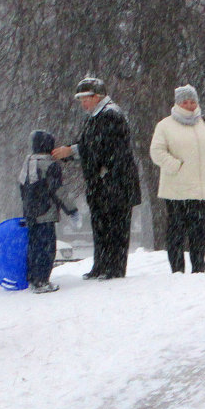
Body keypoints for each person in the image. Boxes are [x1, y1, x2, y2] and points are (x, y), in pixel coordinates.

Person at [52, 77, 142, 280]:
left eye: (87, 98)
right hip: (101, 183)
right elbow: (89, 144)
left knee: (115, 227)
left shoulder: (111, 114)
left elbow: (101, 146)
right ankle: (101, 265)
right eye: (81, 99)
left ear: (98, 96)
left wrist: (72, 151)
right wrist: (71, 151)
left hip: (116, 182)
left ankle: (114, 268)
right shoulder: (94, 117)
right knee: (101, 225)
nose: (83, 103)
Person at [149, 84, 205, 273]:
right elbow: (156, 151)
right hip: (176, 189)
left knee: (199, 231)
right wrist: (175, 166)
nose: (190, 105)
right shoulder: (165, 125)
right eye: (185, 102)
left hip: (201, 189)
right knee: (176, 231)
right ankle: (177, 269)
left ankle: (198, 268)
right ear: (177, 103)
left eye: (192, 101)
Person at [20, 130, 80, 293]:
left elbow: (23, 189)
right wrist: (72, 210)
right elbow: (58, 191)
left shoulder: (28, 163)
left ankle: (33, 278)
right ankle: (42, 281)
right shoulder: (50, 165)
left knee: (34, 247)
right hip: (45, 214)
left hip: (31, 214)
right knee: (47, 249)